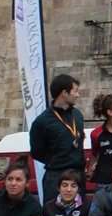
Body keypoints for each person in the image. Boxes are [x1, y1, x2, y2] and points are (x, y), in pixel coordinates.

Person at [29, 73, 85, 202]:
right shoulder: (42, 121)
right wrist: (57, 160)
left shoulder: (77, 115)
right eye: (75, 91)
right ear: (64, 93)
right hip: (56, 176)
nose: (78, 95)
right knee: (53, 212)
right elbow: (37, 152)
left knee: (79, 213)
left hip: (78, 175)